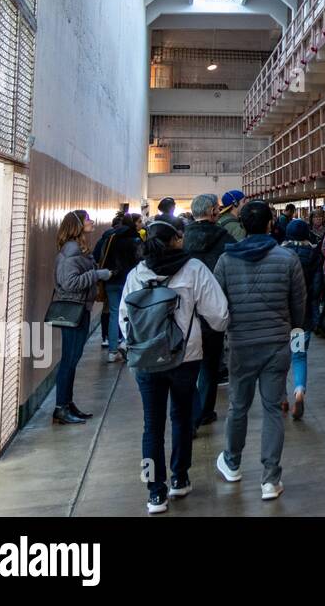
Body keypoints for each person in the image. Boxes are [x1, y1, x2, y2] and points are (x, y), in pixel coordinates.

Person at [120, 220, 230, 514]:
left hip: (145, 361)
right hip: (186, 357)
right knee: (182, 418)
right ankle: (179, 478)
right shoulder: (193, 269)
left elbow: (124, 319)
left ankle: (155, 492)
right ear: (174, 241)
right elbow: (219, 315)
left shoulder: (136, 274)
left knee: (151, 427)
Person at [212, 200, 305, 501]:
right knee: (272, 409)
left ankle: (232, 461)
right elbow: (299, 305)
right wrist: (292, 329)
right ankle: (270, 479)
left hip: (240, 344)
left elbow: (217, 303)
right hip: (277, 344)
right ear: (269, 225)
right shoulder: (287, 258)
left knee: (238, 406)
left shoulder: (226, 261)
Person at [51, 210, 112, 425]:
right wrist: (98, 274)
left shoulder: (76, 250)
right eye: (87, 219)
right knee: (69, 360)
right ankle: (61, 407)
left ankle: (66, 404)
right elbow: (70, 283)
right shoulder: (71, 251)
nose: (91, 221)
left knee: (72, 359)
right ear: (77, 225)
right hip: (74, 311)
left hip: (79, 309)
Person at [183, 193, 236, 432]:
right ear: (214, 212)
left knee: (187, 364)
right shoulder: (225, 239)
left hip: (184, 310)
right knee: (210, 364)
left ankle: (189, 410)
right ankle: (205, 410)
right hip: (213, 308)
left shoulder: (182, 239)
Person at [281, 218, 321, 420]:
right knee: (299, 356)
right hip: (302, 318)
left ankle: (281, 398)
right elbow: (317, 287)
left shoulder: (279, 255)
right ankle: (298, 391)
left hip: (280, 318)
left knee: (279, 359)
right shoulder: (313, 255)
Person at [92, 212, 141, 363]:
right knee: (132, 314)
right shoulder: (136, 240)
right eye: (139, 222)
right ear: (133, 223)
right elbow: (141, 260)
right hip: (131, 281)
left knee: (114, 313)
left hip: (112, 280)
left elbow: (100, 256)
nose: (141, 224)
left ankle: (112, 351)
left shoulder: (111, 237)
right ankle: (129, 346)